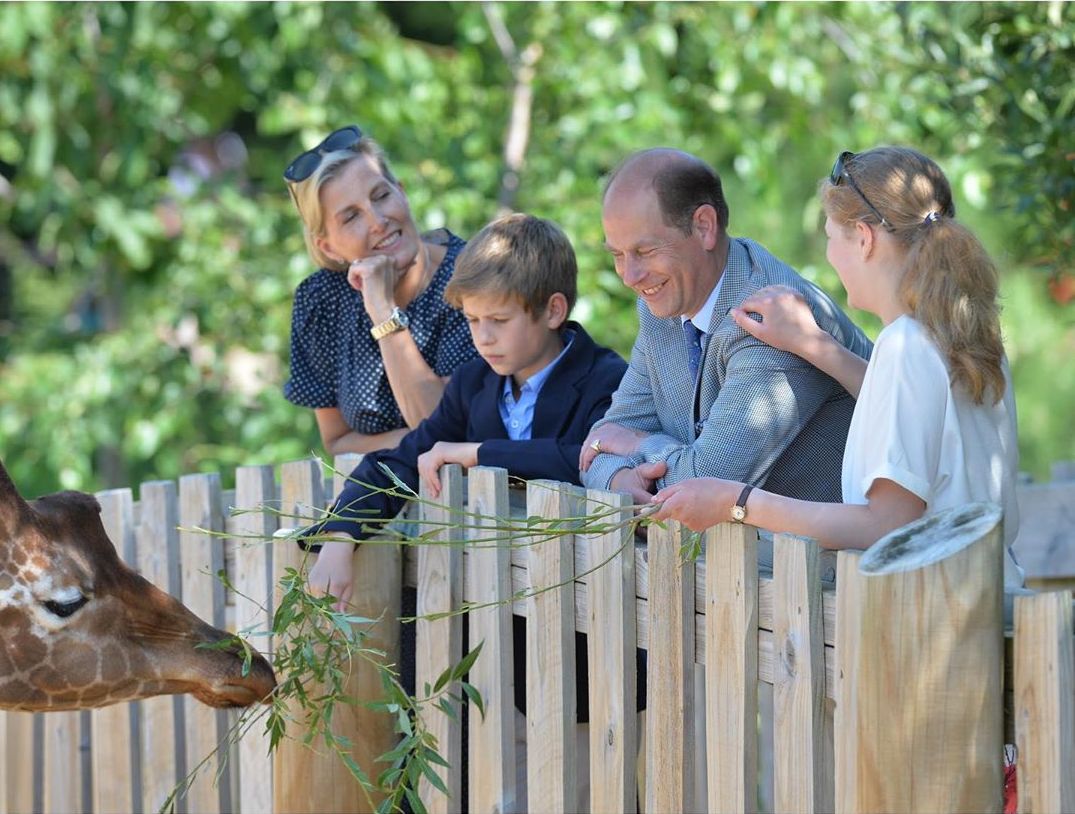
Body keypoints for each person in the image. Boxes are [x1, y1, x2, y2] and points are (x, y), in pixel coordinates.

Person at [649, 146, 1024, 590]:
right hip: (988, 598)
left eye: (831, 236)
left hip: (937, 614)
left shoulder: (904, 344)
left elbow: (886, 524)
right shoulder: (960, 334)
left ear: (864, 239)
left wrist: (738, 501)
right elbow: (912, 414)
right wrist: (813, 345)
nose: (829, 254)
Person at [579, 148, 873, 505]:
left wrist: (637, 444)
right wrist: (618, 481)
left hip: (832, 542)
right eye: (617, 255)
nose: (629, 276)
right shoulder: (662, 305)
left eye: (645, 251)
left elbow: (706, 482)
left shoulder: (773, 320)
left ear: (704, 226)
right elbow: (600, 442)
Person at [282, 125, 479, 456]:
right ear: (328, 247)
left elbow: (442, 432)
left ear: (402, 193)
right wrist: (412, 443)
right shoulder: (320, 300)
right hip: (378, 487)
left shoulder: (473, 278)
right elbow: (337, 442)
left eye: (381, 196)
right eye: (351, 217)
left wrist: (384, 312)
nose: (377, 221)